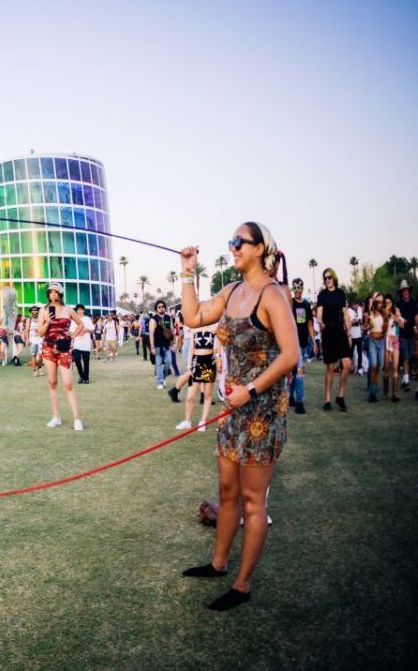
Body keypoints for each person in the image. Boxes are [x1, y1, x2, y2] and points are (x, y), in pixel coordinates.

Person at [178, 221, 299, 610]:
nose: (232, 247)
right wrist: (187, 273)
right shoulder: (231, 292)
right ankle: (218, 564)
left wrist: (250, 389)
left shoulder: (272, 295)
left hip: (262, 410)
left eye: (239, 242)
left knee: (252, 499)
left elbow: (291, 354)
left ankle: (242, 584)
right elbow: (193, 317)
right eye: (231, 242)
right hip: (233, 409)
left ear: (260, 249)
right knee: (227, 492)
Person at [36, 283, 87, 430]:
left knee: (68, 383)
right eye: (50, 292)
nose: (53, 295)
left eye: (55, 292)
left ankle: (77, 419)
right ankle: (56, 416)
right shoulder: (43, 310)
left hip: (64, 349)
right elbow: (40, 333)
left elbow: (80, 324)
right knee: (52, 382)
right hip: (48, 349)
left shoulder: (68, 309)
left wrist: (72, 336)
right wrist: (47, 322)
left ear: (60, 294)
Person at [315, 268, 352, 411]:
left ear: (334, 277)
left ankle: (340, 396)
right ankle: (327, 400)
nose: (327, 280)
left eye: (329, 277)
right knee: (330, 368)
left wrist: (349, 334)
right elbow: (319, 313)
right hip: (328, 332)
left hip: (340, 332)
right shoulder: (322, 295)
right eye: (325, 278)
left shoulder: (341, 293)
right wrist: (320, 321)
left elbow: (345, 315)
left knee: (347, 364)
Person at [175, 322, 221, 430]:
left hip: (210, 363)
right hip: (196, 363)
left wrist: (218, 359)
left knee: (207, 394)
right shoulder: (194, 329)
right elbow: (191, 348)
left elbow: (218, 346)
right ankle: (187, 421)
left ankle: (203, 421)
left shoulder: (215, 328)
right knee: (190, 396)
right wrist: (189, 366)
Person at [287, 278, 315, 414]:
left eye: (299, 287)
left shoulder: (306, 305)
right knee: (298, 371)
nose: (297, 290)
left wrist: (314, 341)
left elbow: (309, 323)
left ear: (303, 289)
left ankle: (292, 397)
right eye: (295, 287)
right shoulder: (289, 303)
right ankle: (299, 401)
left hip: (304, 343)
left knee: (297, 371)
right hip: (292, 343)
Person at [395, 280, 416, 392]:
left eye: (407, 290)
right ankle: (407, 381)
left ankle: (404, 379)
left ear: (409, 291)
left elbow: (416, 317)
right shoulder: (398, 304)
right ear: (401, 292)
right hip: (402, 334)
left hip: (412, 334)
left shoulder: (413, 303)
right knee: (406, 357)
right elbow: (398, 318)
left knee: (411, 356)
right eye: (404, 290)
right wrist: (402, 320)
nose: (406, 292)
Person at [382, 294, 402, 402]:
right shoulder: (383, 312)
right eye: (386, 303)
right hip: (386, 341)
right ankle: (385, 393)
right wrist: (386, 316)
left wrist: (394, 317)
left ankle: (395, 394)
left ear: (392, 302)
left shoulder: (396, 310)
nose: (387, 305)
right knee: (386, 368)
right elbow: (383, 328)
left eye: (389, 302)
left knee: (395, 367)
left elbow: (402, 325)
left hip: (395, 341)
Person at [150, 301, 174, 390]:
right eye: (159, 307)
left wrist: (173, 343)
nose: (161, 308)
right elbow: (151, 334)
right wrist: (152, 347)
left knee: (168, 362)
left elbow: (171, 331)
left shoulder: (168, 318)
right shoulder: (153, 319)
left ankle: (163, 377)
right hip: (157, 345)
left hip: (167, 345)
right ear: (156, 309)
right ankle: (160, 382)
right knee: (159, 364)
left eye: (163, 306)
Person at [70, 304, 93, 384]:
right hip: (77, 343)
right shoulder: (73, 320)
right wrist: (77, 331)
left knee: (86, 361)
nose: (79, 311)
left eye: (81, 309)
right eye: (78, 309)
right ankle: (81, 375)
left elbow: (92, 329)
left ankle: (86, 378)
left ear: (83, 310)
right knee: (76, 358)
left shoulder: (87, 319)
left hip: (86, 343)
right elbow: (71, 331)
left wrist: (86, 330)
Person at [26, 306, 44, 377]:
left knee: (40, 356)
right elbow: (27, 330)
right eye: (33, 310)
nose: (34, 311)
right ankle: (35, 370)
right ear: (31, 311)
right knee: (33, 355)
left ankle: (39, 367)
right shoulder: (29, 319)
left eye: (36, 310)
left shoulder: (41, 319)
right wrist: (27, 339)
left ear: (38, 311)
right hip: (32, 339)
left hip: (40, 338)